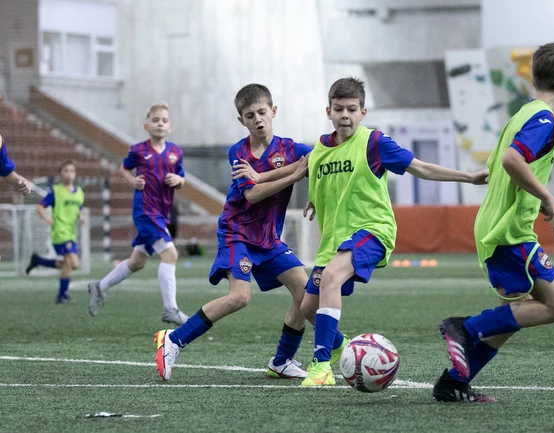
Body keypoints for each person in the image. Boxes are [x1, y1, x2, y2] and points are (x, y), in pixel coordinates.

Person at [299, 77, 489, 387]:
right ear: (328, 111)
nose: (345, 115)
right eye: (338, 109)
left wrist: (468, 177)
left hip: (373, 231)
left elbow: (420, 167)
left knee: (331, 277)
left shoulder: (375, 143)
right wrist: (313, 198)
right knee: (309, 308)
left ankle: (321, 367)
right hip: (334, 240)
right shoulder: (319, 149)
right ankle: (340, 347)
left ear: (363, 113)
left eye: (351, 109)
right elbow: (323, 179)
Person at [154, 83, 332, 381]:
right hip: (237, 235)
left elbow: (322, 158)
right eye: (250, 115)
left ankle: (282, 360)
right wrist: (295, 174)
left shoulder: (290, 149)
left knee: (306, 295)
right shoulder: (239, 152)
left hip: (269, 240)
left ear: (273, 111)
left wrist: (312, 189)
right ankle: (173, 339)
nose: (258, 119)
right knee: (239, 297)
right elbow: (252, 194)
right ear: (242, 120)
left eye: (262, 112)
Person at [435, 42, 554, 403]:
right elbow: (513, 161)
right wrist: (549, 199)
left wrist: (551, 210)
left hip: (494, 227)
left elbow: (510, 167)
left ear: (534, 78)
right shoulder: (545, 120)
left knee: (512, 314)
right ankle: (464, 327)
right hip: (509, 232)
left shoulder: (522, 114)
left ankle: (453, 383)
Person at [88, 102, 188, 325]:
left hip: (163, 212)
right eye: (155, 120)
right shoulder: (138, 150)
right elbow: (124, 168)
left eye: (164, 120)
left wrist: (178, 180)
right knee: (170, 254)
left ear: (169, 126)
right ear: (146, 126)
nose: (160, 124)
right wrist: (133, 181)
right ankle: (170, 309)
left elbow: (182, 179)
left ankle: (99, 287)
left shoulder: (175, 152)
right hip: (145, 211)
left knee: (137, 262)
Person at [26, 161, 85, 303]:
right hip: (59, 232)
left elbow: (78, 209)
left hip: (70, 233)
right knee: (70, 262)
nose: (69, 174)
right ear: (60, 174)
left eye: (72, 171)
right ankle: (62, 296)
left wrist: (81, 217)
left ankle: (39, 261)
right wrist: (46, 218)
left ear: (75, 174)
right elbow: (40, 206)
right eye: (66, 171)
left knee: (73, 264)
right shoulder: (56, 191)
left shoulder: (79, 193)